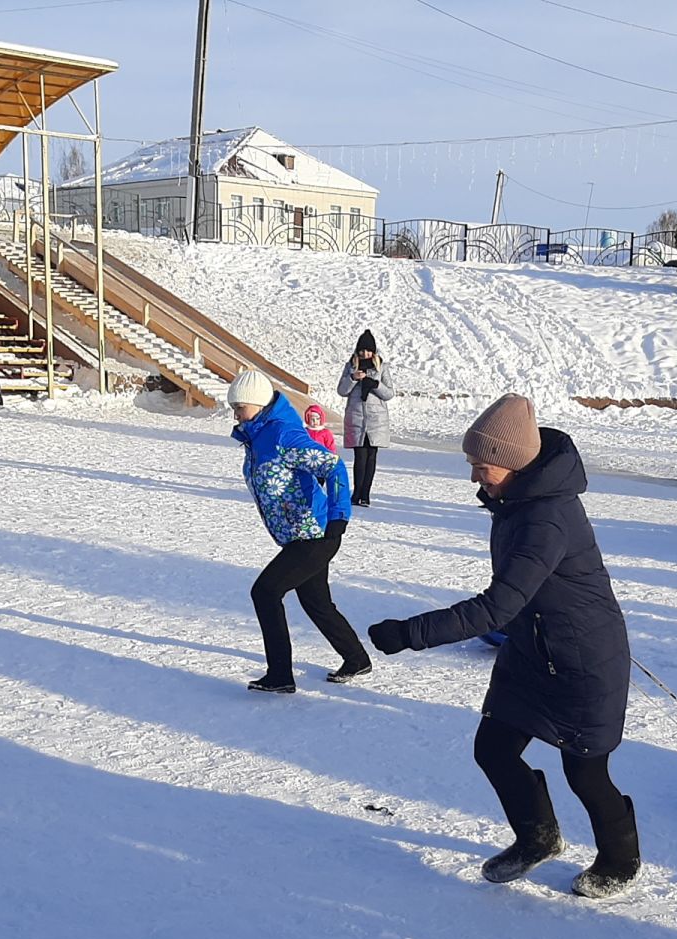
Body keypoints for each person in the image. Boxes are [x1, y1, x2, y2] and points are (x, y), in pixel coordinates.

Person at [366, 394, 638, 900]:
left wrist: (409, 634)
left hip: (582, 662)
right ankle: (537, 837)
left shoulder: (544, 518)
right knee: (493, 748)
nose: (474, 477)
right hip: (535, 651)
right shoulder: (518, 500)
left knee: (585, 772)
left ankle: (620, 860)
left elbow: (495, 609)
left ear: (514, 464)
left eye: (481, 466)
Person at [228, 369, 372, 692]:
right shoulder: (256, 438)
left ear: (259, 403)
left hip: (316, 534)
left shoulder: (281, 434)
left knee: (265, 592)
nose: (236, 413)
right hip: (298, 535)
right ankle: (357, 658)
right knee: (316, 602)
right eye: (234, 407)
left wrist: (339, 517)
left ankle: (280, 675)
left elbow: (332, 465)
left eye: (241, 406)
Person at [337, 329, 393, 507]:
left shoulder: (382, 367)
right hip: (356, 418)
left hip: (377, 420)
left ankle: (366, 494)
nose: (365, 354)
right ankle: (357, 493)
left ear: (373, 352)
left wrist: (375, 384)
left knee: (371, 457)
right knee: (359, 457)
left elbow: (389, 393)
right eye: (362, 351)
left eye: (368, 351)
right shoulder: (351, 367)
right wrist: (353, 378)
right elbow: (342, 390)